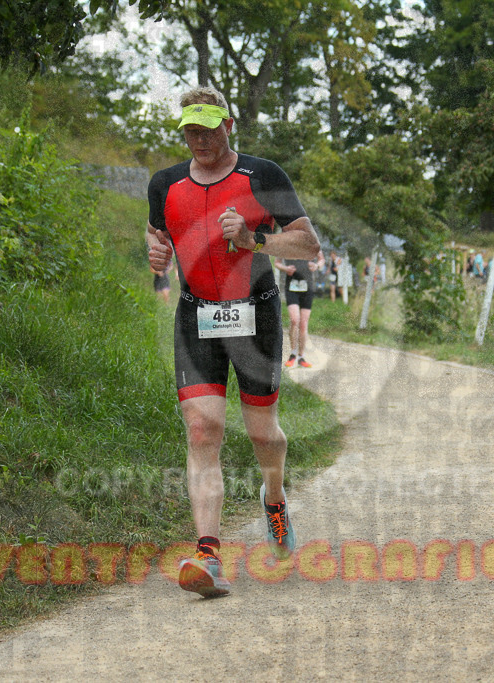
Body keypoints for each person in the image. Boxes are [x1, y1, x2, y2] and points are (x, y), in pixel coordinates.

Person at [145, 87, 320, 598]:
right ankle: (209, 556)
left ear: (228, 124)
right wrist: (157, 254)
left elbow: (308, 244)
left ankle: (274, 499)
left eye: (208, 129)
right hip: (195, 314)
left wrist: (252, 239)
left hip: (254, 313)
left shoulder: (262, 175)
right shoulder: (165, 183)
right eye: (190, 131)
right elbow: (157, 233)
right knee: (202, 431)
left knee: (263, 433)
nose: (200, 139)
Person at [275, 250, 321, 368]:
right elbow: (277, 262)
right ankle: (293, 353)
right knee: (295, 320)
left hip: (307, 287)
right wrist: (285, 268)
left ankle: (301, 357)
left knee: (303, 324)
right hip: (292, 287)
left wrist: (316, 265)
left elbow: (321, 259)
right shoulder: (287, 245)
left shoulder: (311, 243)